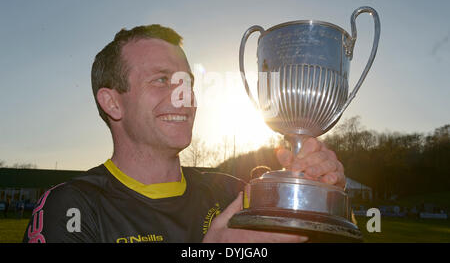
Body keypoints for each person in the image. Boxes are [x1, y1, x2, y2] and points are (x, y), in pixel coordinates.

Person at [23, 25, 346, 243]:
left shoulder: (232, 193)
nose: (186, 97)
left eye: (187, 82)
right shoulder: (72, 205)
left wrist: (321, 200)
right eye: (161, 80)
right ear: (112, 102)